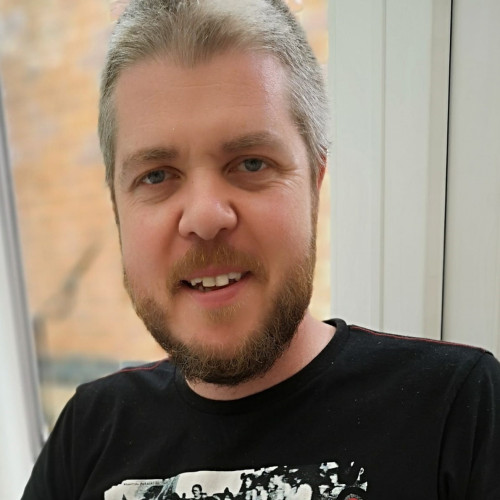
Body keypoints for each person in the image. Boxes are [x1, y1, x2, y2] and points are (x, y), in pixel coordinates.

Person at [22, 0, 500, 499]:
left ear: (314, 184)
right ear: (118, 209)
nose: (205, 217)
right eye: (157, 175)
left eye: (251, 164)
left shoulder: (457, 410)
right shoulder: (88, 430)